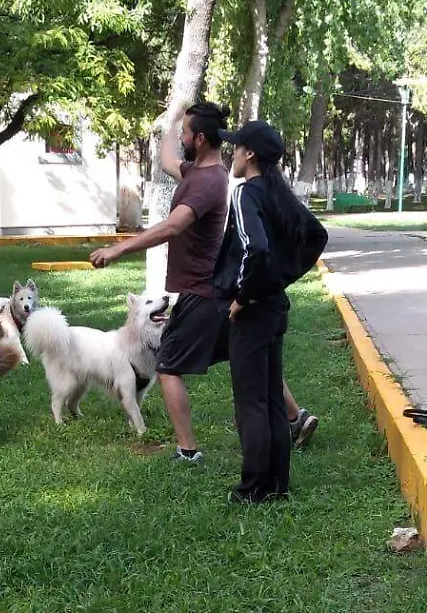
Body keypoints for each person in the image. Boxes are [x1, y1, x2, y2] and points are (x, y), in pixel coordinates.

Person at [90, 101, 233, 463]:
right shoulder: (198, 172)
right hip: (213, 289)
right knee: (248, 355)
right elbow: (169, 160)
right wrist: (173, 118)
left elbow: (172, 226)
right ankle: (296, 418)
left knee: (168, 366)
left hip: (201, 292)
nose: (181, 137)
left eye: (186, 132)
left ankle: (187, 450)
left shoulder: (208, 182)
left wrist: (119, 249)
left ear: (199, 139)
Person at [214, 120, 328, 503]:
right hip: (274, 308)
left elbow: (257, 249)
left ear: (250, 154)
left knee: (252, 402)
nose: (232, 154)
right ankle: (276, 485)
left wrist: (244, 296)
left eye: (236, 148)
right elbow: (316, 236)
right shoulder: (277, 192)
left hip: (254, 311)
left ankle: (252, 490)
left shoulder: (246, 193)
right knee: (271, 398)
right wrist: (280, 280)